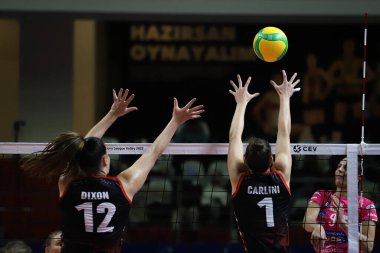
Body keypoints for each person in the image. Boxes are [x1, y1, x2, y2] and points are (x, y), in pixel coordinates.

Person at [22, 88, 204, 253]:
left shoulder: (67, 182)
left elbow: (85, 146)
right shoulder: (124, 185)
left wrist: (112, 114)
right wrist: (175, 121)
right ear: (105, 160)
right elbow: (154, 152)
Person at [227, 70, 300, 253]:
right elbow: (284, 132)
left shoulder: (240, 180)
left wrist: (241, 103)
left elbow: (234, 136)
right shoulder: (281, 173)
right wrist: (285, 98)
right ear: (272, 159)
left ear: (245, 160)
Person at [303, 157, 378, 253]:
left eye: (346, 168)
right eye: (339, 166)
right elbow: (307, 222)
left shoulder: (367, 205)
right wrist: (317, 227)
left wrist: (343, 224)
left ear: (358, 178)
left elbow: (368, 247)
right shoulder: (322, 195)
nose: (340, 169)